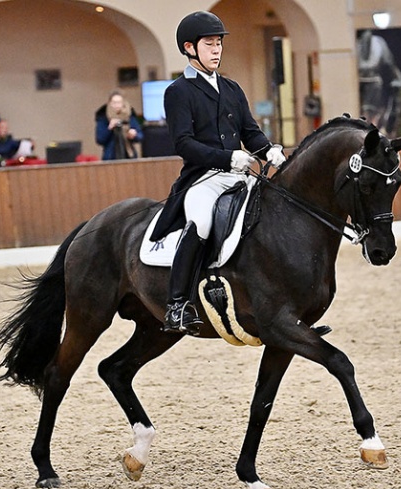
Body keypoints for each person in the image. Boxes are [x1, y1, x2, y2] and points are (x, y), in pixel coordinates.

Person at [149, 10, 286, 335]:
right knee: (202, 222)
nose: (216, 50)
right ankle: (178, 304)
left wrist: (269, 150)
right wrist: (227, 158)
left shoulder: (232, 88)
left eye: (219, 44)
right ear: (189, 48)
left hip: (240, 174)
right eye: (209, 44)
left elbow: (250, 132)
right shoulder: (178, 92)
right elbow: (183, 143)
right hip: (203, 179)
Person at [95, 91, 143, 160]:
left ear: (123, 103)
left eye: (119, 102)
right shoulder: (103, 117)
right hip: (110, 157)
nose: (117, 105)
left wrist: (134, 135)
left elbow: (140, 136)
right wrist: (110, 128)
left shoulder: (129, 116)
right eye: (114, 103)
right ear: (110, 103)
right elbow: (100, 139)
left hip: (129, 155)